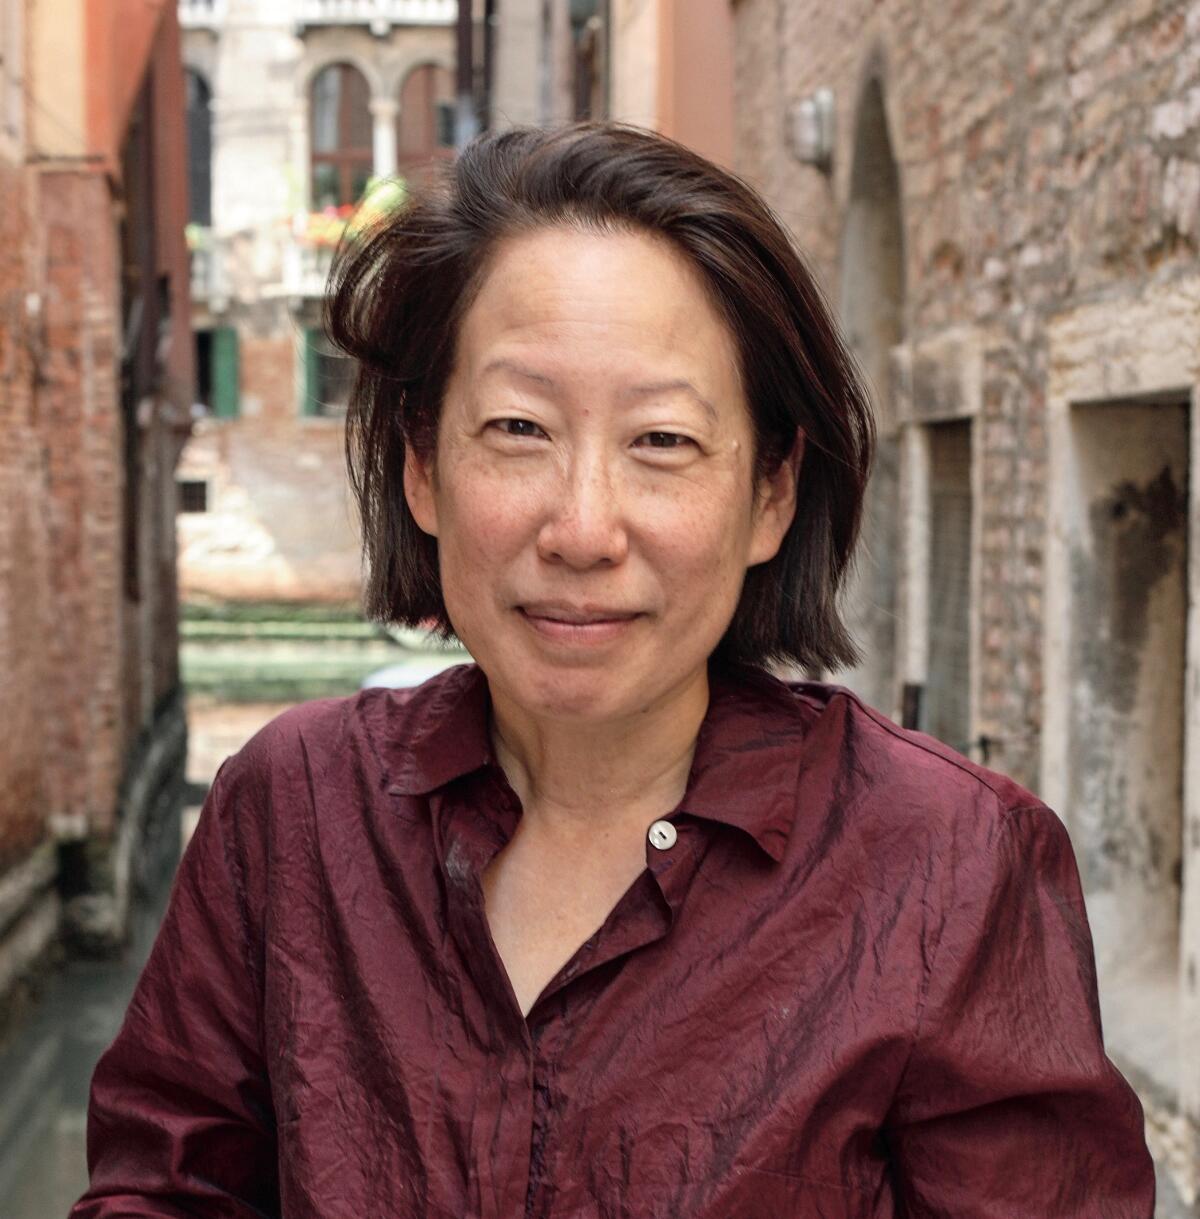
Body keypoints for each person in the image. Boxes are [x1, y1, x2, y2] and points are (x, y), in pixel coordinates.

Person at [70, 122, 1155, 1218]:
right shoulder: (292, 808)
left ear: (771, 493)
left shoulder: (951, 868)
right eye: (518, 427)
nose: (583, 528)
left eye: (662, 441)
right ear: (424, 469)